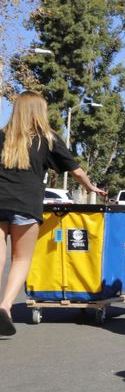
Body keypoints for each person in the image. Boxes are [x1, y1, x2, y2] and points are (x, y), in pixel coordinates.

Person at [0, 92, 106, 336]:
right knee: (20, 259)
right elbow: (76, 170)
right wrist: (90, 187)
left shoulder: (2, 136)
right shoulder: (47, 139)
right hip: (26, 204)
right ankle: (5, 306)